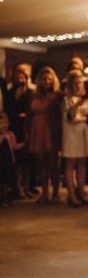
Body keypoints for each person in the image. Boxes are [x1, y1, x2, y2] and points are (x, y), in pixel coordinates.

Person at [28, 67, 63, 204]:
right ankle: (45, 193)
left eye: (49, 78)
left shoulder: (58, 95)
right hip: (37, 130)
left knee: (53, 164)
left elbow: (60, 116)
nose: (47, 81)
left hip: (50, 131)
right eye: (44, 79)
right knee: (41, 164)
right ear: (40, 81)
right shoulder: (34, 95)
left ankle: (55, 193)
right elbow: (29, 115)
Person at [61, 69, 88, 207]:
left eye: (80, 83)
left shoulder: (86, 99)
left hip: (82, 132)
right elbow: (69, 117)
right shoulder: (66, 100)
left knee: (82, 162)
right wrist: (77, 107)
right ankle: (72, 194)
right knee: (70, 163)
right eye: (76, 83)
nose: (78, 86)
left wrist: (84, 117)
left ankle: (81, 191)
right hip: (70, 133)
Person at [6, 68, 33, 199]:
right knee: (18, 162)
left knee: (27, 162)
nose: (19, 81)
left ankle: (27, 187)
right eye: (17, 79)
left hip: (27, 128)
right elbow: (7, 111)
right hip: (15, 129)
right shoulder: (9, 93)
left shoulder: (30, 93)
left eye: (22, 78)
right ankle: (18, 188)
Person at [0, 112, 22, 207]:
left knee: (7, 179)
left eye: (6, 122)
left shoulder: (10, 134)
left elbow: (14, 146)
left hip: (9, 160)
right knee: (1, 179)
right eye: (2, 123)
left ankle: (6, 197)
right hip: (1, 161)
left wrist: (24, 144)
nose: (4, 125)